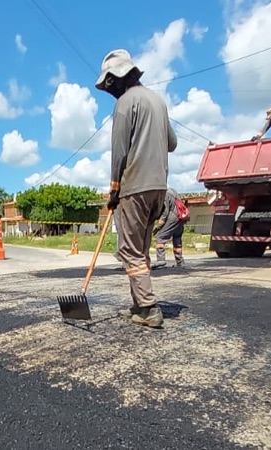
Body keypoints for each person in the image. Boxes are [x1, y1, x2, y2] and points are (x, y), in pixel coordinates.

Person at [95, 49, 177, 328]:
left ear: (116, 79)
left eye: (109, 85)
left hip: (135, 187)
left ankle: (148, 308)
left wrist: (114, 190)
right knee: (140, 250)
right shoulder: (158, 101)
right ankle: (138, 306)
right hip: (159, 188)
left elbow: (119, 152)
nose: (109, 91)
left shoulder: (125, 104)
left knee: (129, 251)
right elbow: (172, 143)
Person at [152, 188, 185, 269]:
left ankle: (161, 261)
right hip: (181, 217)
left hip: (173, 217)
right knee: (177, 240)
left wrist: (158, 227)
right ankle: (180, 262)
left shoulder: (164, 194)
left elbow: (165, 213)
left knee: (160, 238)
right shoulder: (173, 191)